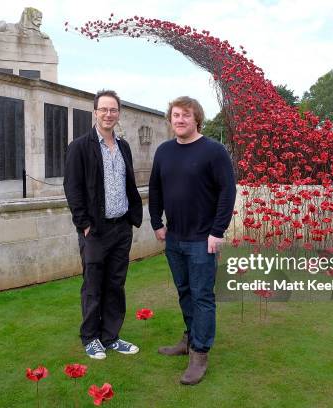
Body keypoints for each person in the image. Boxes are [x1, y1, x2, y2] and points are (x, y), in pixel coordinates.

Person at [149, 96, 236, 385]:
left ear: (196, 118)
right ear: (170, 119)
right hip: (174, 238)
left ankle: (200, 353)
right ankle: (189, 338)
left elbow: (227, 192)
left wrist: (217, 231)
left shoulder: (214, 151)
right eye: (175, 115)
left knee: (202, 296)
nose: (180, 120)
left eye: (186, 115)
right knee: (184, 292)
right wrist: (156, 224)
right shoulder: (163, 152)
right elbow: (155, 189)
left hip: (203, 239)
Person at [64, 89, 142, 359]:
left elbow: (128, 184)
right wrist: (83, 224)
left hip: (122, 228)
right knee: (93, 284)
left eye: (113, 110)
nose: (109, 114)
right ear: (95, 112)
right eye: (104, 109)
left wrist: (132, 218)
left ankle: (111, 336)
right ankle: (90, 337)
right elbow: (72, 189)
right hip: (95, 231)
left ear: (118, 114)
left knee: (115, 285)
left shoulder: (124, 147)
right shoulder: (79, 147)